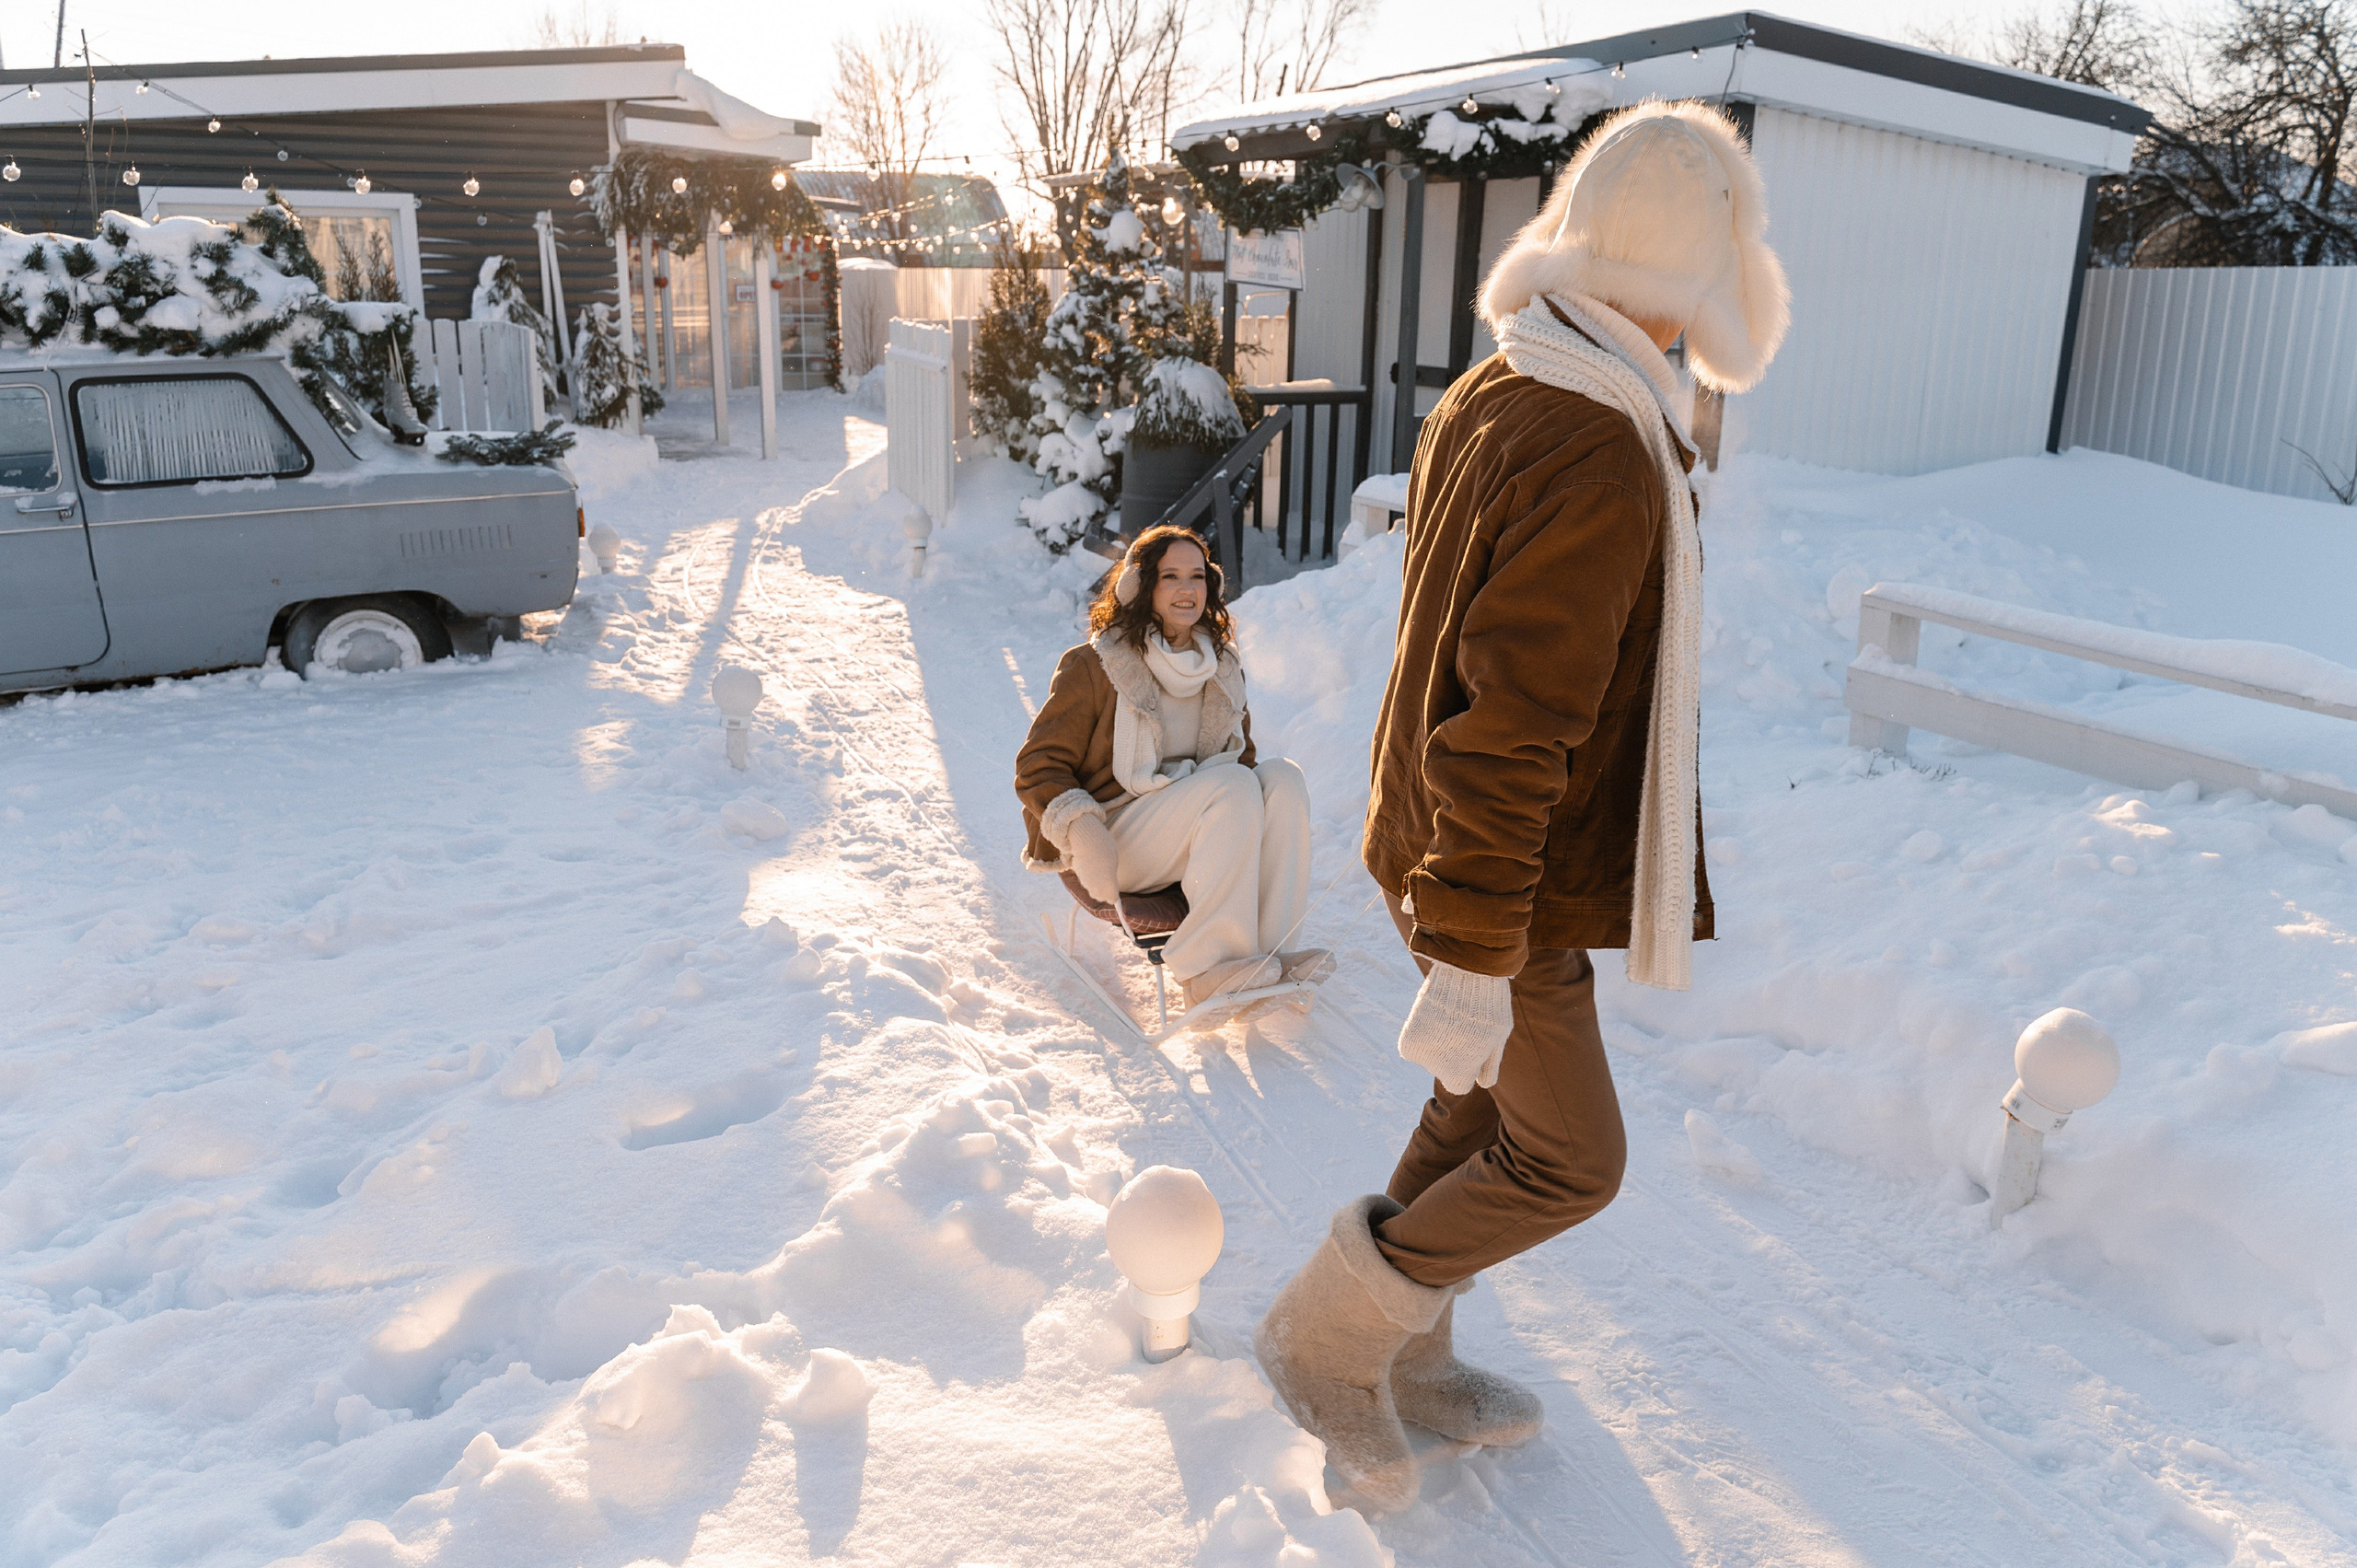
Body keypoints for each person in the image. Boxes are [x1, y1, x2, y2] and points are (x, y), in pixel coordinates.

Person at [1254, 101, 1792, 1513]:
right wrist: (1480, 944)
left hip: (1446, 841)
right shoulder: (1602, 443)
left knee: (1478, 1103)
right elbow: (1515, 720)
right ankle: (1327, 1337)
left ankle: (1413, 1349)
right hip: (1499, 863)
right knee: (1567, 1155)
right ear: (1693, 290)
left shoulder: (1511, 378)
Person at [1016, 525, 1332, 1009]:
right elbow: (1038, 764)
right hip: (1118, 838)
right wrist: (1081, 829)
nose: (1188, 589)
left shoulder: (1222, 668)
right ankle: (1207, 968)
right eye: (1171, 576)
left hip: (1197, 826)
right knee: (1232, 785)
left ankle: (1268, 953)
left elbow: (1242, 762)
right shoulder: (1095, 665)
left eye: (1198, 576)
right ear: (1140, 586)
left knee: (1281, 779)